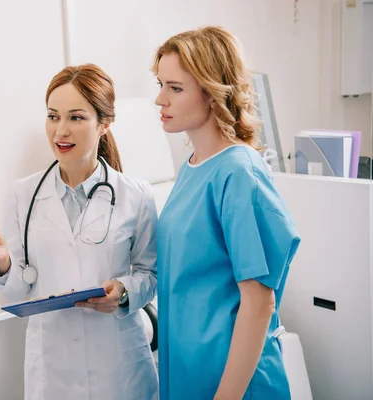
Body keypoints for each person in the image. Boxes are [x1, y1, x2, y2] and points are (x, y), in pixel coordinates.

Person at [0, 64, 158, 400]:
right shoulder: (22, 195)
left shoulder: (136, 194)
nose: (60, 131)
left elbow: (152, 274)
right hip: (53, 368)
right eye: (53, 116)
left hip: (117, 367)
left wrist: (124, 291)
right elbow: (16, 290)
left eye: (76, 117)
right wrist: (4, 262)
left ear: (104, 124)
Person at [153, 26, 301, 400]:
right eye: (160, 84)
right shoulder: (192, 167)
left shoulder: (238, 172)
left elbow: (259, 301)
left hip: (233, 383)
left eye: (175, 88)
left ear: (212, 90)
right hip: (189, 373)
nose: (159, 99)